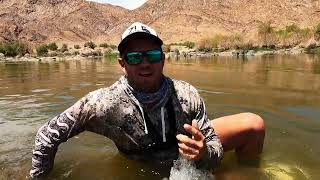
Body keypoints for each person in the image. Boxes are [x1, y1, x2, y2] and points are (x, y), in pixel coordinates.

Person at [30, 22, 265, 178]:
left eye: (152, 55)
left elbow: (213, 147)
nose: (145, 63)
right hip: (141, 164)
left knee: (254, 125)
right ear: (122, 64)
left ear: (162, 59)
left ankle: (248, 171)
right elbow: (46, 136)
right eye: (134, 57)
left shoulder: (186, 95)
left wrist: (204, 153)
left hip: (186, 160)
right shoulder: (102, 105)